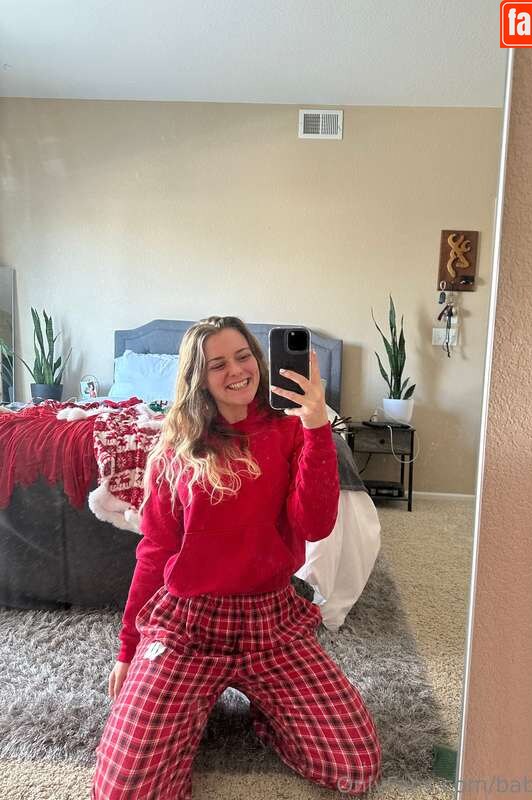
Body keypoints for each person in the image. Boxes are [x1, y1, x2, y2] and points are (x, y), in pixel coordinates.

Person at [91, 316, 382, 799]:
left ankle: (265, 713)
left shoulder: (293, 430)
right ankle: (189, 711)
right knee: (125, 790)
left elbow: (315, 526)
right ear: (197, 377)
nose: (236, 371)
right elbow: (155, 552)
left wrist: (316, 428)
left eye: (243, 356)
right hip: (189, 625)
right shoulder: (175, 448)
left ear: (259, 360)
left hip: (271, 621)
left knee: (355, 765)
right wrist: (128, 650)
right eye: (217, 364)